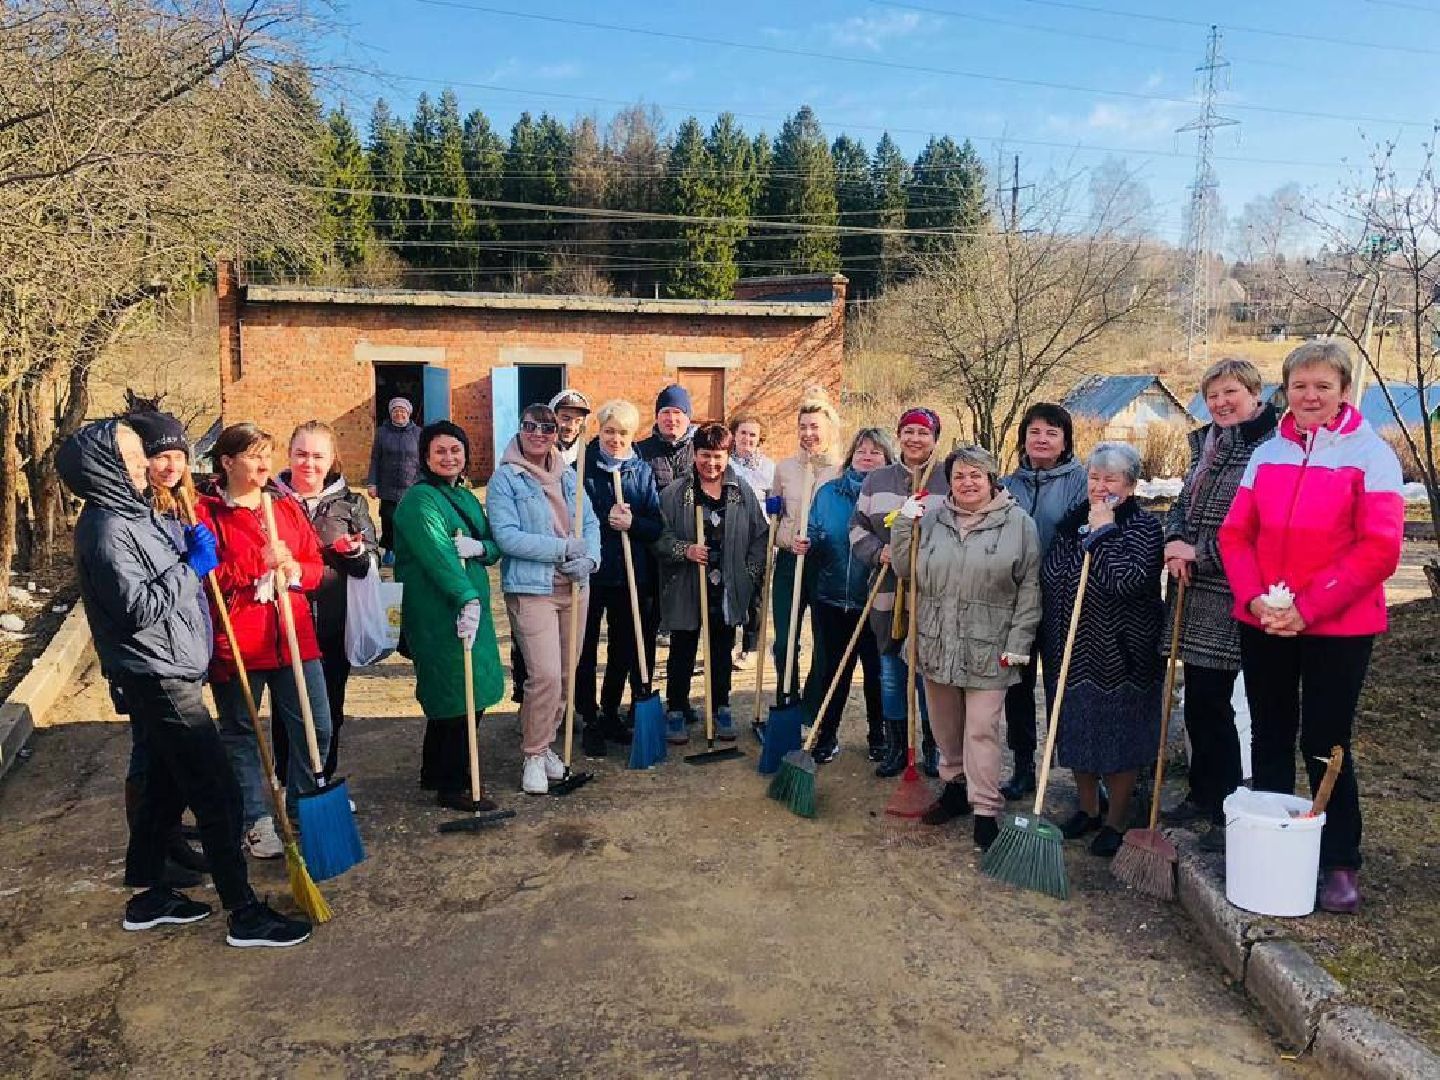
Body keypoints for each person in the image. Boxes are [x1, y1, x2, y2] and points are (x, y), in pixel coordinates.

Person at [59, 418, 310, 947]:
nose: (141, 466)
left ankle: (150, 895)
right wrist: (190, 565)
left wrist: (179, 544)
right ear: (103, 467)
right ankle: (243, 913)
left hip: (171, 665)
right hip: (156, 673)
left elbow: (162, 566)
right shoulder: (105, 530)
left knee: (164, 788)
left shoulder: (135, 515)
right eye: (129, 459)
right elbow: (140, 608)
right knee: (217, 791)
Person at [1219, 340, 1404, 913]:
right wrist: (1256, 601)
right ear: (1286, 391)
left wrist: (1309, 607)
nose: (1310, 396)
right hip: (1265, 619)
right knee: (1269, 732)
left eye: (1323, 385)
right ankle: (1272, 845)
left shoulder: (1372, 456)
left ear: (1344, 390)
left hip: (1338, 625)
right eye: (1300, 386)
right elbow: (1236, 535)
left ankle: (1340, 859)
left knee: (1325, 740)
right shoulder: (1268, 453)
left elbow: (1380, 549)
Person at [892, 445, 1041, 851]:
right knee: (945, 728)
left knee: (981, 730)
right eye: (959, 476)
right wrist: (905, 523)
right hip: (937, 640)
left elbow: (1029, 588)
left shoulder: (1018, 524)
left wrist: (1019, 642)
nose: (967, 483)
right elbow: (905, 571)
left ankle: (986, 811)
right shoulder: (934, 520)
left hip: (989, 645)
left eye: (976, 475)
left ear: (992, 479)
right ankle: (955, 789)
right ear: (950, 482)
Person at [196, 424, 333, 861]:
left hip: (294, 636)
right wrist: (260, 561)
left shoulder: (284, 507)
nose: (262, 464)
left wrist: (295, 572)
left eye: (266, 454)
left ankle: (302, 807)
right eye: (253, 455)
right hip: (238, 640)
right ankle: (256, 820)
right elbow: (207, 577)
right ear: (227, 462)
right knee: (242, 733)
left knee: (316, 727)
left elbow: (315, 565)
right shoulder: (206, 513)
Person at [1159, 359, 1279, 852]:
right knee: (1199, 702)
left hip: (1234, 591)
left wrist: (1199, 554)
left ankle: (1227, 801)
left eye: (1231, 392)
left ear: (1255, 394)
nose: (1222, 403)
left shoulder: (1269, 451)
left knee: (1215, 702)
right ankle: (1202, 792)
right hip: (1192, 589)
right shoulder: (1206, 446)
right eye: (1213, 396)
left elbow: (1261, 532)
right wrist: (1173, 542)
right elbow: (1182, 506)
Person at [1041, 443, 1164, 858]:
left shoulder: (1144, 528)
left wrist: (1103, 530)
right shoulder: (1070, 524)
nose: (1100, 486)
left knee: (1118, 739)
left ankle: (1116, 819)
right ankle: (1089, 808)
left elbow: (1124, 580)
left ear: (1129, 486)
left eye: (1111, 479)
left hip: (1122, 654)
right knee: (1076, 730)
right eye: (1094, 477)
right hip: (1070, 650)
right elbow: (1054, 575)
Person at [487, 404, 601, 793]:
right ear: (519, 429)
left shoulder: (568, 474)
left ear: (557, 433)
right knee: (546, 675)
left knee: (568, 675)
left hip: (573, 586)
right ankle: (534, 754)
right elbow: (507, 537)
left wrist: (589, 559)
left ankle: (550, 743)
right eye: (530, 426)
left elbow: (592, 523)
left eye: (547, 427)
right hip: (532, 588)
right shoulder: (506, 478)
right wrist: (564, 549)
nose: (539, 433)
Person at [393, 421, 507, 809]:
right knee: (456, 692)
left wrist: (481, 549)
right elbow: (437, 556)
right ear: (425, 456)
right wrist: (465, 596)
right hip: (439, 610)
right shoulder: (418, 501)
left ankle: (434, 771)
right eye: (440, 451)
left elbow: (494, 543)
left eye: (455, 450)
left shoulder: (469, 497)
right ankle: (455, 784)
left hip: (472, 604)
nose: (449, 457)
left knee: (469, 688)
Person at [120, 409, 210, 888]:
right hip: (153, 657)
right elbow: (147, 596)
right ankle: (151, 851)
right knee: (150, 754)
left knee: (168, 756)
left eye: (178, 455)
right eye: (160, 456)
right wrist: (192, 566)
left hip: (184, 649)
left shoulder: (180, 504)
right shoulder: (139, 514)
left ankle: (171, 838)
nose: (171, 465)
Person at [272, 420, 379, 783]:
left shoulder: (351, 505)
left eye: (318, 455)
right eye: (301, 454)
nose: (309, 463)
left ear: (332, 459)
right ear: (289, 455)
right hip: (282, 626)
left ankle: (321, 780)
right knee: (287, 710)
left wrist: (357, 555)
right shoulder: (270, 502)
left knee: (329, 708)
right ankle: (289, 783)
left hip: (334, 625)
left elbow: (372, 563)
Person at [999, 403, 1089, 800]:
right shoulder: (1006, 485)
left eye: (1052, 433)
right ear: (1023, 439)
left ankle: (1078, 775)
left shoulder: (1081, 482)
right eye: (1035, 432)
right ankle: (1022, 766)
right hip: (1014, 602)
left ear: (1065, 441)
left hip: (1061, 598)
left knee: (1061, 686)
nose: (1042, 439)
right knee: (1016, 686)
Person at [658, 422, 769, 744]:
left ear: (727, 454)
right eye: (705, 455)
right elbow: (659, 538)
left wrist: (748, 576)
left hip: (728, 584)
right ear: (695, 454)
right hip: (687, 583)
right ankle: (676, 708)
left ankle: (721, 706)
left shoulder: (740, 492)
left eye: (718, 456)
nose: (711, 463)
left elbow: (760, 536)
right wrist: (684, 550)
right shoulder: (675, 494)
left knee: (721, 650)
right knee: (682, 648)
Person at [849, 407, 945, 772]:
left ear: (934, 439)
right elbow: (857, 528)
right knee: (891, 672)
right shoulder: (877, 480)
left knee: (928, 678)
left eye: (923, 433)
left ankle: (933, 747)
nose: (915, 439)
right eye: (908, 432)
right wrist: (879, 551)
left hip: (932, 595)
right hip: (887, 593)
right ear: (899, 436)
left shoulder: (947, 479)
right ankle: (895, 746)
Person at [575, 399, 663, 758]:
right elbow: (575, 516)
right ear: (600, 430)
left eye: (623, 433)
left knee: (625, 647)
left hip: (630, 575)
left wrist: (633, 524)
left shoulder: (641, 472)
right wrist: (603, 515)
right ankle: (589, 716)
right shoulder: (583, 468)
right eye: (609, 431)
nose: (615, 439)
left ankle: (610, 711)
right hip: (595, 572)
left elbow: (656, 525)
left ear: (632, 436)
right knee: (585, 648)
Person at [804, 427, 895, 763]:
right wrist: (807, 542)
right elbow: (814, 530)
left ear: (887, 459)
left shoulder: (894, 498)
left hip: (876, 598)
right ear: (850, 456)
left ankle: (879, 734)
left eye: (875, 452)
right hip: (832, 597)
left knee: (876, 672)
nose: (867, 457)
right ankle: (826, 735)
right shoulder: (828, 493)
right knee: (834, 672)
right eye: (861, 451)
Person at [764, 387, 842, 734]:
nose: (809, 433)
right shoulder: (784, 469)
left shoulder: (841, 471)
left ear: (829, 429)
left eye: (815, 426)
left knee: (825, 645)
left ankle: (812, 710)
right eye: (803, 426)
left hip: (825, 567)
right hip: (789, 563)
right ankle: (788, 699)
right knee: (784, 642)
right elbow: (774, 522)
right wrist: (786, 541)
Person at [729, 414, 775, 669]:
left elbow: (775, 506)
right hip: (730, 537)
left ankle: (752, 647)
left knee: (756, 595)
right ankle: (725, 645)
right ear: (734, 435)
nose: (747, 439)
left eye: (753, 435)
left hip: (759, 540)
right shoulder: (725, 465)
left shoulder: (769, 468)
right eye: (743, 433)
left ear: (760, 439)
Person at [365, 396, 421, 564]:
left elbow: (425, 459)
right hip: (388, 485)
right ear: (390, 413)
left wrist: (424, 482)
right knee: (389, 519)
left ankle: (410, 550)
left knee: (410, 519)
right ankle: (389, 550)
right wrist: (372, 483)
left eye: (402, 410)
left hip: (411, 485)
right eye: (395, 410)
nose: (399, 413)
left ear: (409, 413)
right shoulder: (382, 433)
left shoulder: (418, 433)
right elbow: (375, 458)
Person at [636, 384, 697, 493]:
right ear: (657, 417)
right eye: (665, 412)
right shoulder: (639, 452)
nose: (671, 418)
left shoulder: (700, 450)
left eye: (677, 412)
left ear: (688, 418)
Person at [549, 388, 592, 467]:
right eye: (566, 418)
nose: (571, 427)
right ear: (552, 418)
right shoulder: (537, 454)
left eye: (578, 421)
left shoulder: (589, 458)